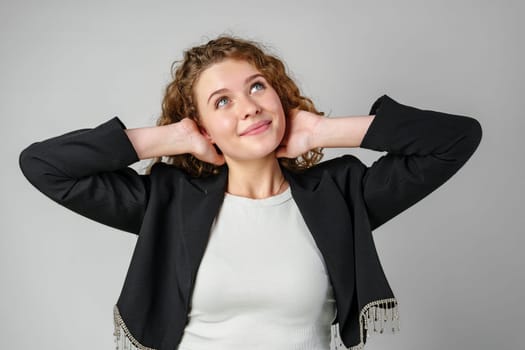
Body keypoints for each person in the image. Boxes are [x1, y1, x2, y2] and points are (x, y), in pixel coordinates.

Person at [19, 35, 482, 350]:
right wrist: (171, 138)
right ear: (202, 124)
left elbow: (455, 140)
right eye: (222, 101)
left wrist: (324, 131)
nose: (250, 107)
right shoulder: (170, 201)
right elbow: (44, 166)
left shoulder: (338, 194)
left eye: (257, 87)